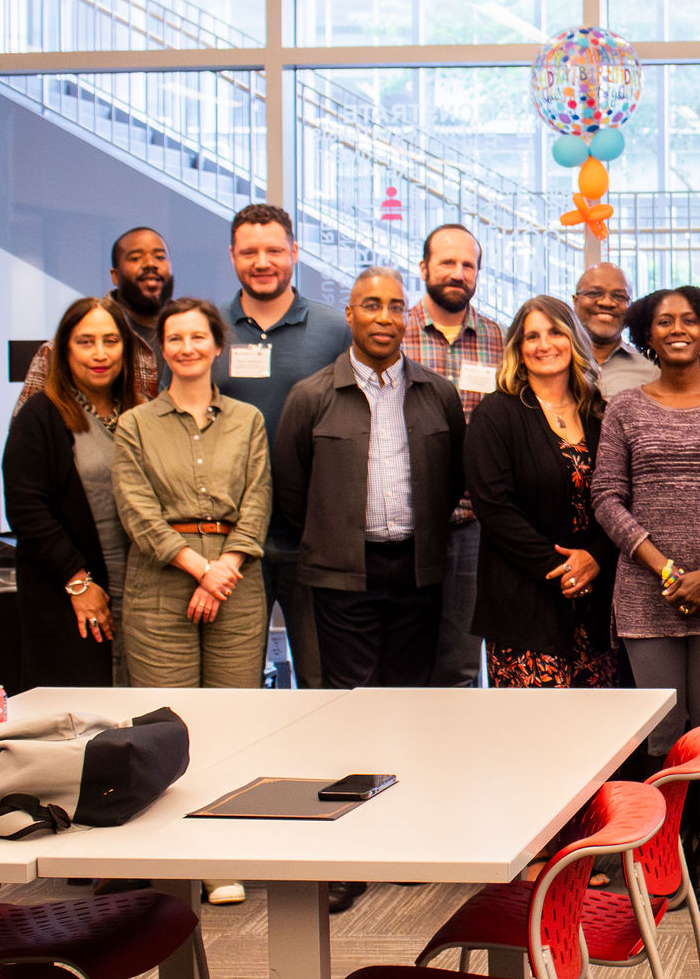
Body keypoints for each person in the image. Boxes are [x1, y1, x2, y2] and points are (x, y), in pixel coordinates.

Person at [591, 285, 700, 911]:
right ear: (648, 332)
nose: (676, 329)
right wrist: (666, 567)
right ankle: (659, 847)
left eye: (688, 320)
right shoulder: (624, 409)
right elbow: (606, 498)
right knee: (662, 729)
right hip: (646, 590)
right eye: (663, 321)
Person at [112, 297, 270, 909]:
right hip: (161, 580)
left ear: (216, 345)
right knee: (167, 722)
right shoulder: (136, 425)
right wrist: (197, 567)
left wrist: (225, 566)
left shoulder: (248, 420)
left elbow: (258, 498)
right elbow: (137, 510)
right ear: (161, 350)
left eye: (196, 337)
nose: (185, 348)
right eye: (173, 339)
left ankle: (223, 853)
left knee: (233, 720)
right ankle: (176, 853)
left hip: (236, 575)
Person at [274, 266, 467, 691]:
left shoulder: (439, 394)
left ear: (406, 319)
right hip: (343, 573)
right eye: (372, 305)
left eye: (395, 307)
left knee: (411, 692)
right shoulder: (311, 395)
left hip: (418, 572)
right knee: (350, 695)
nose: (384, 318)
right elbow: (291, 489)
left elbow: (451, 480)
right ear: (349, 314)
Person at [215, 204, 352, 689]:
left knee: (322, 679)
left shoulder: (334, 329)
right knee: (237, 683)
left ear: (294, 252)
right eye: (249, 251)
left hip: (312, 538)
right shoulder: (209, 331)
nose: (262, 261)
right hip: (231, 541)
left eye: (274, 250)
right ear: (232, 256)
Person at [464, 294, 618, 691]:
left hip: (596, 606)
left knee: (598, 735)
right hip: (524, 604)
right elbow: (494, 508)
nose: (544, 344)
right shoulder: (496, 415)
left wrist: (595, 559)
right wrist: (564, 570)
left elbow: (624, 498)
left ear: (574, 340)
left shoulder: (601, 412)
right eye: (531, 336)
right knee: (532, 738)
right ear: (518, 348)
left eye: (555, 332)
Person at [4, 296, 148, 688]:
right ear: (64, 348)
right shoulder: (41, 415)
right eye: (86, 341)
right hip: (70, 596)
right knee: (78, 722)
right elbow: (26, 511)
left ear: (127, 347)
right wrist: (79, 583)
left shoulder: (143, 413)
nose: (99, 354)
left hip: (139, 593)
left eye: (110, 340)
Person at [399, 224, 506, 689]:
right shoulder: (394, 334)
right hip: (404, 525)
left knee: (461, 662)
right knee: (404, 656)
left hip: (474, 524)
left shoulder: (499, 340)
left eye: (468, 265)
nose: (457, 273)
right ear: (424, 268)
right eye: (446, 262)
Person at [14, 226, 174, 414]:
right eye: (135, 258)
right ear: (115, 275)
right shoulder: (60, 352)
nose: (150, 264)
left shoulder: (198, 344)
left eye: (160, 257)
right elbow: (27, 432)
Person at [573, 261, 659, 398]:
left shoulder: (653, 372)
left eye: (619, 296)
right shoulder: (555, 364)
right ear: (575, 301)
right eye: (595, 293)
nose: (606, 302)